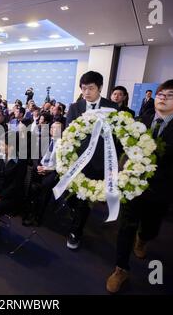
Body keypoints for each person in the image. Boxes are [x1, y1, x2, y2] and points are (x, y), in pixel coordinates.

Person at [106, 79, 173, 293]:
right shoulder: (141, 120)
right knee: (126, 226)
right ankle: (120, 268)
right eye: (161, 94)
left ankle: (143, 239)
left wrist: (149, 168)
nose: (163, 98)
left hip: (161, 189)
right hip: (132, 187)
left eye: (170, 95)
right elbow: (125, 147)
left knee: (151, 226)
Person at [64, 71, 118, 251]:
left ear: (100, 88)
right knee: (72, 196)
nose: (87, 92)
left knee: (84, 199)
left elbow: (118, 138)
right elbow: (68, 135)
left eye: (91, 88)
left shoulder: (112, 108)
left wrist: (112, 164)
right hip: (76, 161)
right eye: (84, 88)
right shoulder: (75, 107)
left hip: (98, 162)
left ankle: (76, 231)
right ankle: (76, 213)